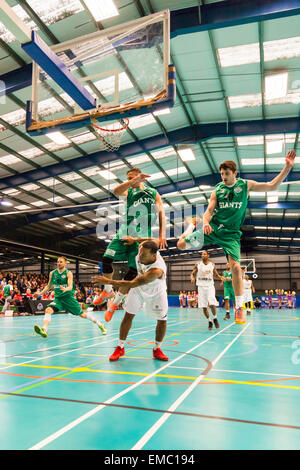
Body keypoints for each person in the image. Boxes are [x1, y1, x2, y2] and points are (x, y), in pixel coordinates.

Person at [177, 151, 296, 324]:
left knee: (236, 267)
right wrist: (206, 222)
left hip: (231, 235)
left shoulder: (246, 185)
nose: (224, 177)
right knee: (180, 245)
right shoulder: (217, 190)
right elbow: (209, 211)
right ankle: (191, 226)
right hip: (214, 229)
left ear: (235, 173)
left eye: (227, 174)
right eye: (222, 174)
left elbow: (271, 186)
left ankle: (239, 307)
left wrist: (287, 167)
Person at [95, 167, 167, 321]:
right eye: (128, 178)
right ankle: (108, 291)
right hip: (124, 232)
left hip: (142, 236)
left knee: (132, 271)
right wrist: (131, 182)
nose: (128, 181)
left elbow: (161, 213)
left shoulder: (153, 193)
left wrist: (161, 235)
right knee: (107, 259)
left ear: (141, 177)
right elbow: (116, 191)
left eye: (131, 178)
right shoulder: (129, 192)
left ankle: (115, 303)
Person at [93, 240, 169, 362]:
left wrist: (109, 282)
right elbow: (149, 240)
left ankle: (157, 348)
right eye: (140, 253)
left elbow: (132, 283)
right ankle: (120, 347)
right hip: (138, 290)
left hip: (156, 292)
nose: (139, 256)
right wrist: (134, 240)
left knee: (162, 320)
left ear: (154, 256)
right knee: (128, 315)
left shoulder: (156, 270)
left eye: (143, 255)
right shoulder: (143, 250)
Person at [33, 256, 107, 338]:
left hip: (69, 299)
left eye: (61, 262)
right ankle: (44, 329)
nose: (59, 263)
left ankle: (100, 324)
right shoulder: (52, 273)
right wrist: (39, 294)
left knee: (82, 315)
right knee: (48, 310)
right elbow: (48, 286)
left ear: (65, 263)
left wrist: (66, 289)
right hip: (58, 300)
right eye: (58, 262)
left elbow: (70, 286)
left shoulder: (68, 273)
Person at [190, 250, 223, 329]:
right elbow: (192, 273)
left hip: (210, 286)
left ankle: (215, 318)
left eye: (204, 254)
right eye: (202, 254)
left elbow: (216, 274)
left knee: (212, 303)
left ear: (208, 255)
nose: (203, 255)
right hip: (201, 287)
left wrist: (221, 277)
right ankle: (209, 321)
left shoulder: (212, 265)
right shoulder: (197, 264)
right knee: (204, 307)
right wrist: (192, 277)